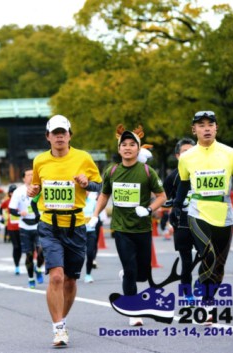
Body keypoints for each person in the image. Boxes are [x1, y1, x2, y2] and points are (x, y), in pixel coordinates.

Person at [27, 115, 102, 347]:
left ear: (70, 135)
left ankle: (62, 319)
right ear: (47, 137)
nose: (59, 136)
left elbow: (100, 185)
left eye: (63, 132)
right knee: (56, 275)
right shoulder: (39, 161)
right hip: (49, 224)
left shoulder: (83, 158)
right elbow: (38, 188)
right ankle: (58, 328)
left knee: (70, 280)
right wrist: (33, 191)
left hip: (76, 225)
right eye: (55, 132)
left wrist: (85, 183)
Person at [90, 126, 166, 327]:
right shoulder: (112, 171)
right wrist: (95, 215)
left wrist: (149, 210)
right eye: (124, 144)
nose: (128, 148)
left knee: (142, 272)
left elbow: (162, 196)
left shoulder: (148, 172)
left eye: (132, 144)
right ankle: (134, 311)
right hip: (122, 229)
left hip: (143, 228)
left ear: (138, 149)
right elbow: (104, 194)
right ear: (119, 148)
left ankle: (129, 274)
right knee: (131, 270)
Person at [172, 111, 233, 316]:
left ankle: (208, 296)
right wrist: (177, 206)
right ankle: (206, 302)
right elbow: (184, 185)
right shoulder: (187, 157)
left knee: (219, 265)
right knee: (208, 254)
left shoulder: (230, 153)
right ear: (193, 129)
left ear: (216, 128)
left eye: (210, 124)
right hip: (198, 211)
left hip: (223, 212)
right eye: (201, 125)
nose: (206, 128)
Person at [164, 137, 196, 302]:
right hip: (182, 222)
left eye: (192, 150)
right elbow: (164, 197)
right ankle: (187, 293)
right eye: (185, 151)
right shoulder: (173, 177)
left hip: (202, 220)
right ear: (178, 156)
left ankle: (206, 292)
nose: (189, 154)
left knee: (208, 257)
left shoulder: (202, 172)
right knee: (187, 261)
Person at [10, 168, 45, 288]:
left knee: (41, 251)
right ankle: (31, 278)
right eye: (28, 175)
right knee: (29, 255)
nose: (31, 176)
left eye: (32, 174)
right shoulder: (18, 192)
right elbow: (12, 209)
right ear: (24, 178)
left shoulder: (41, 189)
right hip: (24, 226)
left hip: (39, 225)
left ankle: (39, 268)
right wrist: (20, 213)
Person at [0, 184, 22, 275]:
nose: (13, 194)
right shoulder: (7, 202)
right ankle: (16, 266)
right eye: (11, 192)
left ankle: (19, 264)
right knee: (16, 247)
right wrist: (2, 218)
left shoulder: (21, 201)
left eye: (14, 192)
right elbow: (0, 209)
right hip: (11, 228)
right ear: (9, 193)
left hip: (21, 227)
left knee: (20, 248)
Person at [82, 191, 99, 284]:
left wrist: (93, 220)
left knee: (90, 253)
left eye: (88, 190)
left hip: (90, 231)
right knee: (77, 255)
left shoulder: (93, 202)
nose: (86, 192)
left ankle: (88, 274)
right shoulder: (77, 201)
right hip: (78, 232)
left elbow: (97, 215)